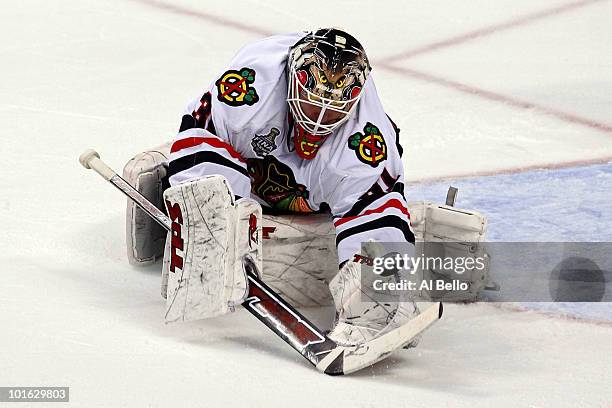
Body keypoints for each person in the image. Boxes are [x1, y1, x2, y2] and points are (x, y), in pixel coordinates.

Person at [164, 28, 418, 346]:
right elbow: (201, 130)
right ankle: (196, 209)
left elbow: (376, 207)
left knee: (374, 218)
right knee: (204, 170)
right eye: (313, 103)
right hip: (249, 172)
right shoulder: (252, 87)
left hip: (313, 198)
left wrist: (378, 286)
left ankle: (374, 304)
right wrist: (212, 221)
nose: (320, 117)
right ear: (294, 80)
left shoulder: (366, 140)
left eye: (336, 107)